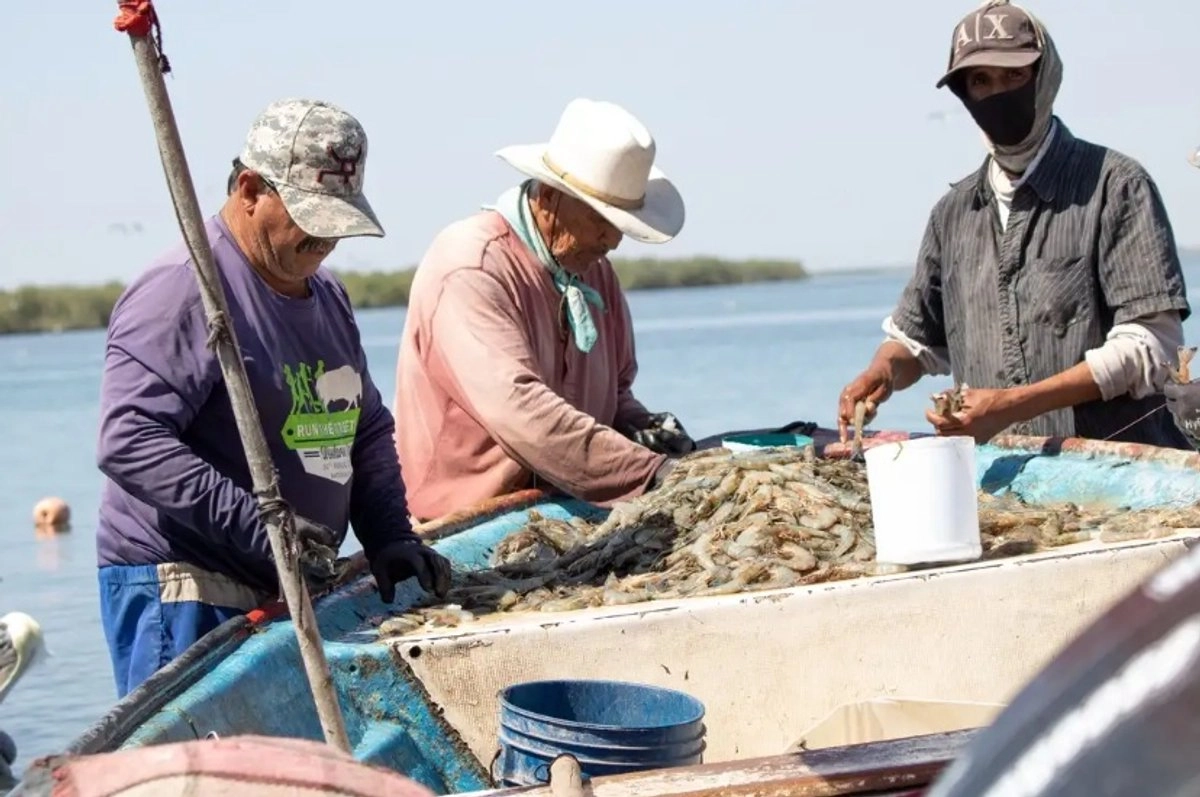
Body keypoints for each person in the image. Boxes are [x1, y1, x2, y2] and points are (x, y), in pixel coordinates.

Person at [95, 98, 451, 699]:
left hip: (288, 579)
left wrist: (389, 532)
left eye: (337, 220)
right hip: (190, 588)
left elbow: (361, 427)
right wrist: (267, 530)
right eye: (310, 215)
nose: (326, 238)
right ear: (250, 189)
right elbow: (129, 441)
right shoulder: (186, 288)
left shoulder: (328, 295)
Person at [837, 0, 1191, 449]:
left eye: (1014, 75)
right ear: (964, 93)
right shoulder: (954, 214)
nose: (998, 92)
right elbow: (918, 341)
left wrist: (1013, 404)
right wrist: (882, 371)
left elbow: (1150, 347)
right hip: (996, 481)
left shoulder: (1116, 186)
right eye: (980, 80)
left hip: (1120, 475)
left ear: (1045, 77)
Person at [392, 98, 694, 522]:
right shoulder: (471, 267)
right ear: (550, 197)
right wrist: (653, 473)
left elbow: (616, 394)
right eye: (602, 220)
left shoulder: (595, 271)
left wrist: (642, 427)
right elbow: (521, 413)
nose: (613, 240)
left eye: (622, 224)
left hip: (567, 510)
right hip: (463, 525)